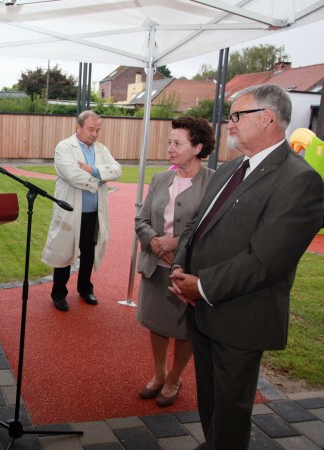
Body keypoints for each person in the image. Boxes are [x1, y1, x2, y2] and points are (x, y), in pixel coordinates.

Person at [169, 84, 324, 450]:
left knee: (231, 409)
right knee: (210, 398)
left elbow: (265, 260)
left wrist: (202, 286)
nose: (230, 124)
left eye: (237, 116)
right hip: (201, 307)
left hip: (240, 317)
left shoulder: (300, 180)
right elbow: (195, 225)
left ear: (267, 118)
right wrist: (179, 267)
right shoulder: (231, 168)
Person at [135, 116, 215, 407]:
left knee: (185, 330)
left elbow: (213, 228)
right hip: (156, 267)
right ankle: (159, 374)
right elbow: (141, 218)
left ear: (198, 147)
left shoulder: (213, 182)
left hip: (189, 272)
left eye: (177, 143)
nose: (170, 148)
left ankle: (175, 378)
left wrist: (177, 243)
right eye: (169, 142)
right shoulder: (160, 179)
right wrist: (155, 242)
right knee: (157, 323)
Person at [41, 110, 122, 311]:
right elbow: (72, 175)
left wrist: (93, 170)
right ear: (78, 127)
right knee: (64, 251)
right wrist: (101, 178)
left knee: (88, 252)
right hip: (70, 210)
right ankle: (59, 293)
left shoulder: (101, 149)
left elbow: (117, 169)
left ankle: (85, 288)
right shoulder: (64, 147)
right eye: (90, 129)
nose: (94, 134)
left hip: (94, 212)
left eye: (98, 130)